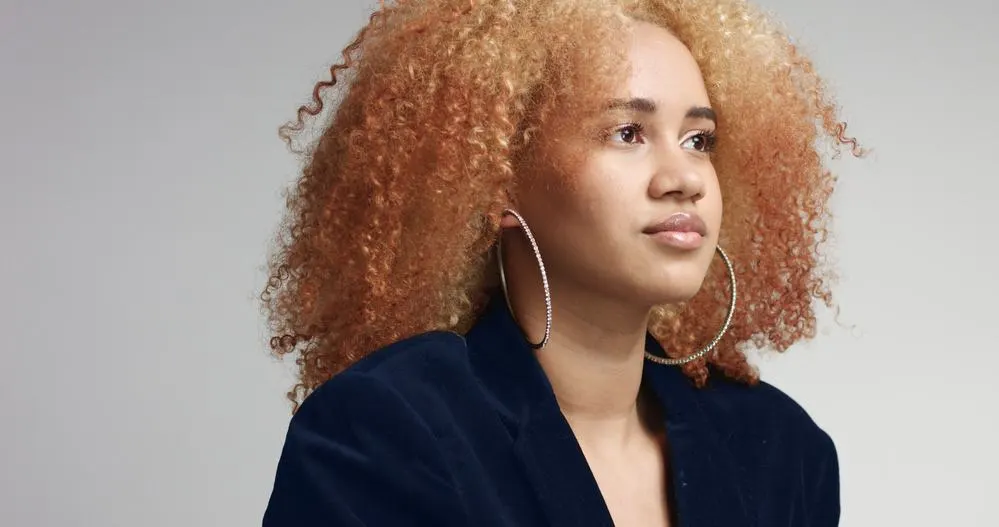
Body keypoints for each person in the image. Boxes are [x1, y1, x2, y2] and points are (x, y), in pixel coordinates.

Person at [259, 0, 862, 525]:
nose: (684, 179)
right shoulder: (386, 433)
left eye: (699, 140)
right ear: (497, 176)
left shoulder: (782, 451)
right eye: (627, 132)